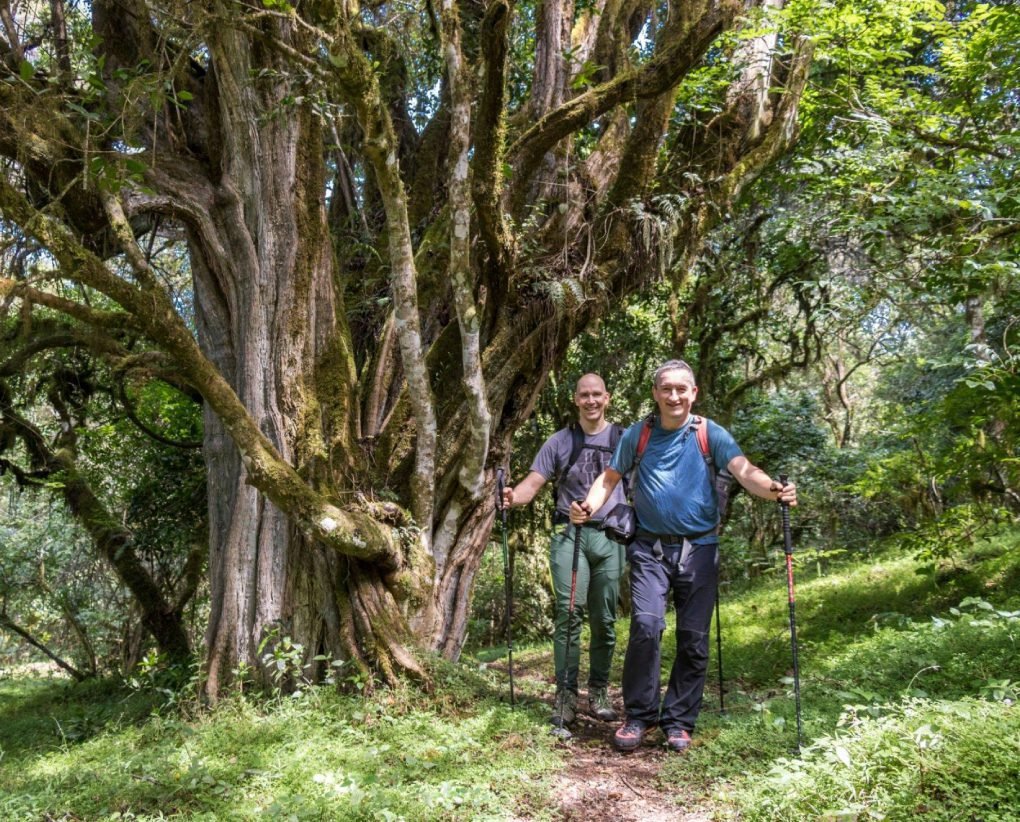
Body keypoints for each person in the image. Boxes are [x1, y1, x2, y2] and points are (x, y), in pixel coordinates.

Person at [570, 359, 798, 753]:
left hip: (700, 549)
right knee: (645, 625)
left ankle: (678, 721)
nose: (673, 395)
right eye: (666, 389)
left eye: (681, 389)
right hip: (649, 548)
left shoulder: (710, 433)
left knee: (693, 638)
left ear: (693, 393)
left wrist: (775, 489)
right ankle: (640, 715)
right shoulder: (639, 435)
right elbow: (609, 478)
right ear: (656, 394)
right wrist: (587, 506)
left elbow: (745, 471)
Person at [501, 373, 628, 728]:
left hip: (611, 536)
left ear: (607, 398)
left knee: (604, 619)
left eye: (596, 395)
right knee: (568, 610)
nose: (591, 401)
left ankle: (599, 691)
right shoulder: (559, 441)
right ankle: (566, 696)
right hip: (569, 534)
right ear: (575, 400)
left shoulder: (624, 440)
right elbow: (532, 485)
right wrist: (512, 497)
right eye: (584, 395)